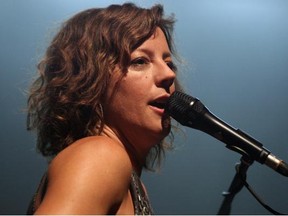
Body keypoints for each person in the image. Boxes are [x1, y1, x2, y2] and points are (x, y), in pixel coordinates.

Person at [26, 2, 181, 215]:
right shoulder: (99, 157)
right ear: (91, 80)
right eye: (140, 61)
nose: (169, 75)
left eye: (169, 63)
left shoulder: (128, 180)